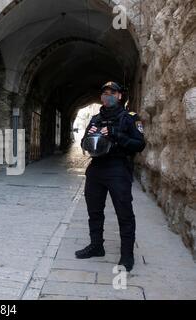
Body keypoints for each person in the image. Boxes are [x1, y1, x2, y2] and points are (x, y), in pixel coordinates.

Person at [76, 82, 146, 272]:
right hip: (96, 168)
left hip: (118, 168)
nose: (108, 96)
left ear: (120, 96)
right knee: (94, 210)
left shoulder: (130, 118)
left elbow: (139, 145)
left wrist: (116, 134)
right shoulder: (95, 119)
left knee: (124, 213)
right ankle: (96, 246)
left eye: (112, 93)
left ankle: (127, 255)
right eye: (105, 93)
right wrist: (88, 138)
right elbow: (84, 143)